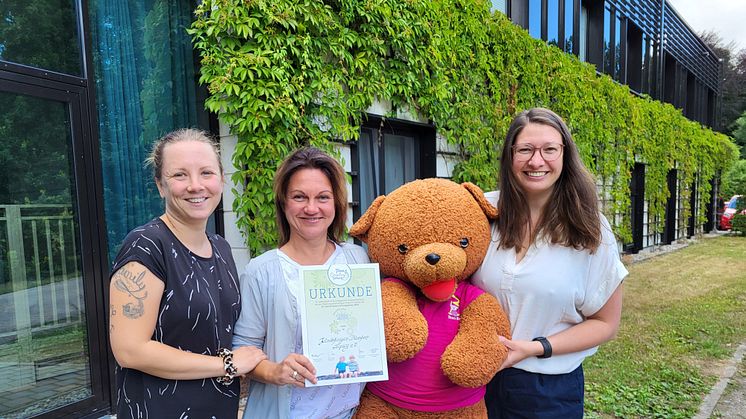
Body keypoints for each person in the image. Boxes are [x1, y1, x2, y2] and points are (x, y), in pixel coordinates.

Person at [472, 108, 628, 418]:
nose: (536, 161)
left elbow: (605, 322)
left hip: (547, 390)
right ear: (509, 155)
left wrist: (534, 347)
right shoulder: (481, 211)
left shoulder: (590, 228)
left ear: (565, 155)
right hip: (473, 380)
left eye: (549, 150)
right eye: (525, 150)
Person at [108, 128, 266, 418]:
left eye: (206, 172)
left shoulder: (220, 247)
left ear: (221, 179)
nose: (196, 185)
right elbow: (129, 350)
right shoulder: (147, 246)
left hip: (218, 408)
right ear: (160, 186)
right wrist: (227, 365)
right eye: (179, 175)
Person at [233, 146, 369, 418]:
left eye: (323, 197)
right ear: (284, 203)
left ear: (336, 204)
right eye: (299, 197)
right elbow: (243, 351)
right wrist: (275, 371)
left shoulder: (359, 260)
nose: (311, 208)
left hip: (351, 412)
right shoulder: (262, 271)